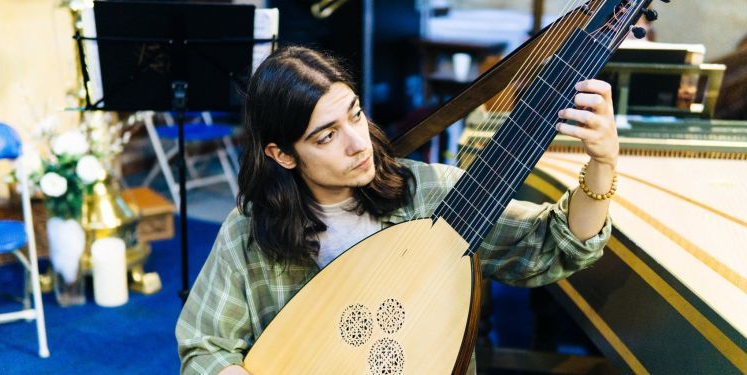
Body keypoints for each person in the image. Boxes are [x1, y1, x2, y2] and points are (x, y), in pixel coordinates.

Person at [176, 46, 617, 375]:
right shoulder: (250, 232)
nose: (357, 142)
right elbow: (203, 347)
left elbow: (555, 244)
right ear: (283, 155)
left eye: (355, 114)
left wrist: (602, 163)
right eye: (327, 137)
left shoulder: (428, 196)